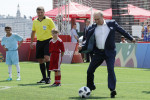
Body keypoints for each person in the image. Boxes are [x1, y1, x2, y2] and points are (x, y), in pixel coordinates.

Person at [79, 11, 136, 98]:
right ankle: (90, 87)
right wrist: (82, 46)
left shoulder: (112, 23)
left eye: (98, 19)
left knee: (110, 69)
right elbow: (87, 39)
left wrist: (131, 38)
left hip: (110, 52)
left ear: (102, 17)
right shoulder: (92, 27)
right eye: (95, 19)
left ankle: (112, 90)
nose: (96, 21)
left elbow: (122, 31)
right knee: (89, 70)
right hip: (98, 52)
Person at [30, 6, 55, 84]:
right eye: (38, 12)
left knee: (47, 58)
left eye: (41, 12)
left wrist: (55, 40)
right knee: (40, 60)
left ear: (44, 12)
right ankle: (44, 78)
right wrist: (31, 42)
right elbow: (33, 32)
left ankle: (49, 77)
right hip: (39, 41)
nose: (40, 14)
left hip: (48, 41)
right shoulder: (35, 21)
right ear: (37, 13)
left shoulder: (49, 20)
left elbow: (54, 30)